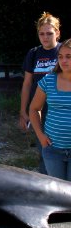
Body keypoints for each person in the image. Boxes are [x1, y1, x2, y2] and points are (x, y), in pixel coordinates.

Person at [19, 12, 61, 174]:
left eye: (49, 33)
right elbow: (27, 83)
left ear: (57, 33)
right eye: (41, 33)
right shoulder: (34, 53)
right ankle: (46, 183)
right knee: (44, 149)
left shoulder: (64, 51)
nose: (45, 37)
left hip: (60, 109)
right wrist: (23, 111)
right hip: (38, 110)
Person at [29, 39, 71, 180]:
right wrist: (41, 136)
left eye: (68, 56)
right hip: (53, 149)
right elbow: (34, 109)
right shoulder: (48, 80)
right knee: (57, 193)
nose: (63, 60)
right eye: (60, 57)